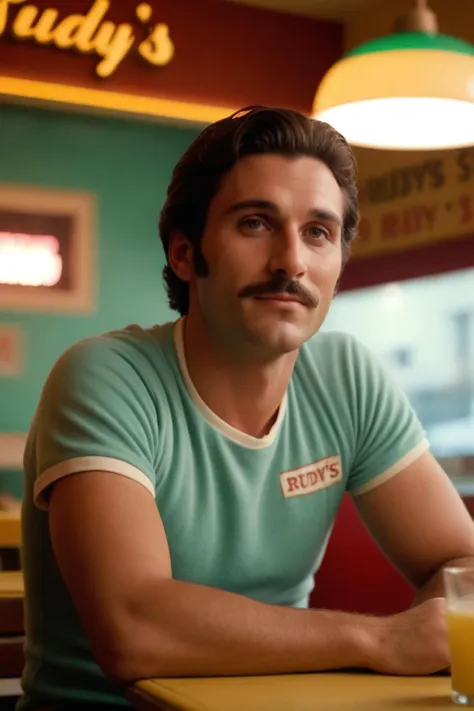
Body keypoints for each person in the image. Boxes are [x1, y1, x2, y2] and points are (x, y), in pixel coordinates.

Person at [19, 106, 474, 710]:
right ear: (185, 254)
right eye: (257, 223)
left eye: (318, 232)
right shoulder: (105, 375)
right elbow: (133, 628)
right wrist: (382, 639)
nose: (292, 261)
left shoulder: (347, 377)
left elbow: (461, 564)